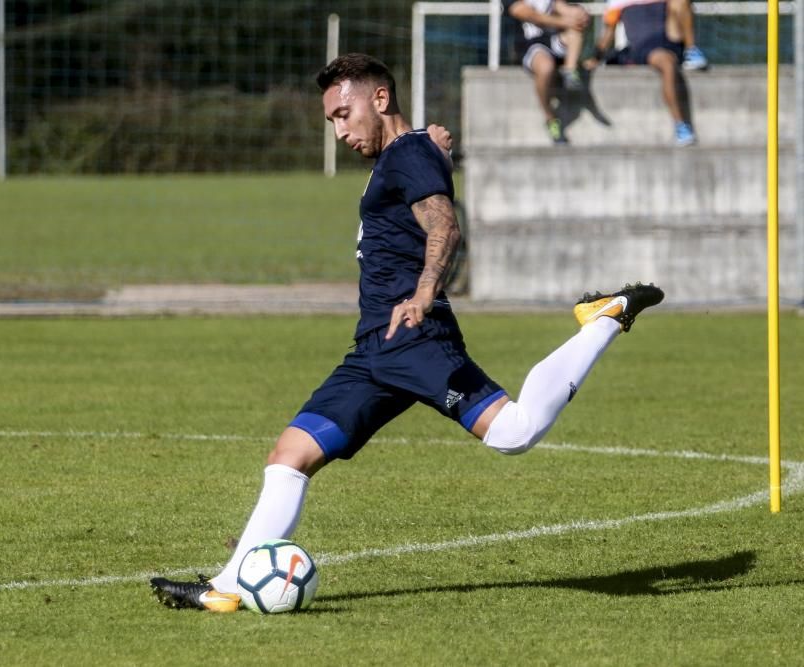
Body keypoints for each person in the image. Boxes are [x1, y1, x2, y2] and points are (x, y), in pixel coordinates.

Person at [150, 53, 664, 612]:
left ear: (379, 99)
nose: (340, 131)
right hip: (373, 351)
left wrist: (423, 292)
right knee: (288, 456)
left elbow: (444, 223)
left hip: (416, 339)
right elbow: (418, 173)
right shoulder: (410, 151)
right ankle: (225, 589)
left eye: (344, 114)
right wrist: (429, 142)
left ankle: (603, 319)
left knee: (514, 432)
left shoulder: (410, 154)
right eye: (331, 122)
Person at [590, 0, 706, 146]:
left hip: (670, 38)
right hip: (645, 47)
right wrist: (595, 59)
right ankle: (681, 126)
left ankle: (691, 50)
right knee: (667, 64)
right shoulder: (618, 2)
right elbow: (608, 33)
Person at [503, 0, 591, 144]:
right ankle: (550, 118)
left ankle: (570, 71)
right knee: (545, 67)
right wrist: (564, 21)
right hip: (528, 45)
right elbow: (526, 13)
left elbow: (562, 7)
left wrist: (579, 14)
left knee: (575, 30)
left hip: (552, 41)